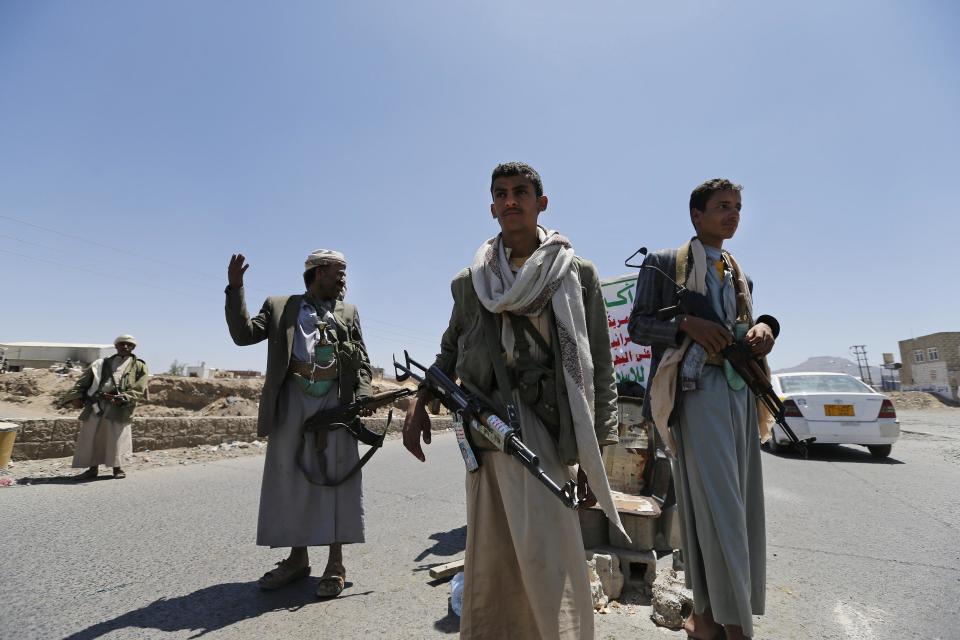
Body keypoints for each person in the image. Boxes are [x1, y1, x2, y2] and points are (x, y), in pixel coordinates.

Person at [403, 162, 624, 640]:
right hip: (485, 430)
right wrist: (418, 404)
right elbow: (448, 349)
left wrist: (594, 455)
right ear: (491, 207)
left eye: (520, 192)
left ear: (541, 202)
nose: (510, 201)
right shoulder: (472, 281)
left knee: (551, 553)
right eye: (500, 194)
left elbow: (600, 368)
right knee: (494, 550)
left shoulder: (574, 272)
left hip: (545, 427)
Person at [627, 178, 779, 640]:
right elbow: (638, 325)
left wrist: (766, 329)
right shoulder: (662, 265)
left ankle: (708, 618)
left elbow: (748, 325)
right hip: (693, 395)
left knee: (736, 508)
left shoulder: (740, 275)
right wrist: (686, 324)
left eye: (737, 207)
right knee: (719, 510)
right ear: (696, 215)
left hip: (740, 398)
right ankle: (735, 626)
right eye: (722, 207)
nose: (733, 214)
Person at [225, 249, 373, 598]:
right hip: (292, 399)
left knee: (336, 477)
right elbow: (243, 334)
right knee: (291, 478)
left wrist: (363, 393)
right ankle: (297, 559)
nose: (343, 280)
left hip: (336, 401)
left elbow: (363, 357)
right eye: (338, 272)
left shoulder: (348, 312)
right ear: (319, 272)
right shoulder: (281, 307)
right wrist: (235, 289)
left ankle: (335, 563)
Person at [61, 335, 149, 480]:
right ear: (116, 346)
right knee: (92, 436)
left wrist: (124, 398)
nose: (125, 347)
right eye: (122, 344)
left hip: (119, 407)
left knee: (116, 438)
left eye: (129, 345)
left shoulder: (139, 365)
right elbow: (84, 381)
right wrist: (76, 397)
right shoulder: (102, 363)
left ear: (133, 348)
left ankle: (117, 468)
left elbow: (140, 387)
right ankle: (92, 469)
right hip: (97, 404)